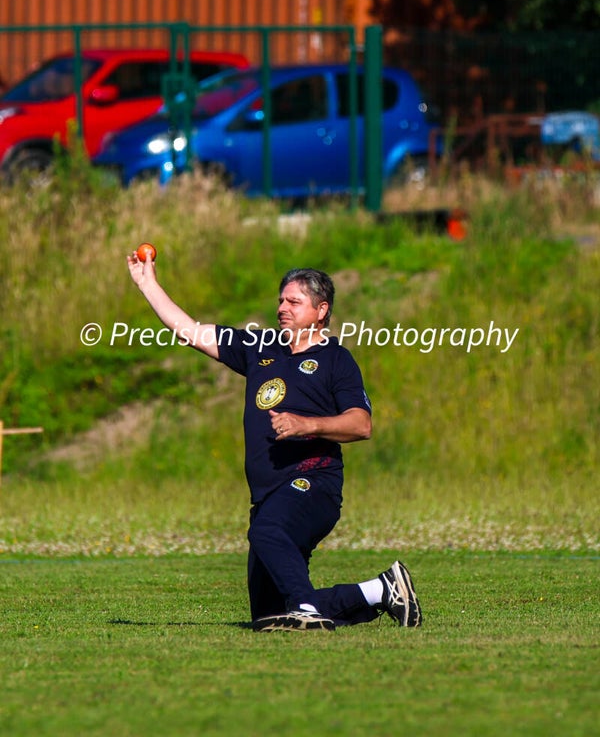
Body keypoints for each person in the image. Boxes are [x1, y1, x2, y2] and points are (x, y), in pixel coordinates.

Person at [127, 253, 422, 632]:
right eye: (281, 300)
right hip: (267, 496)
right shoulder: (261, 347)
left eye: (294, 302)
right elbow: (189, 330)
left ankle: (310, 611)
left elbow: (360, 424)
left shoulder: (336, 360)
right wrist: (146, 283)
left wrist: (306, 425)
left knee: (267, 534)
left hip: (313, 484)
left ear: (321, 310)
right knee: (268, 616)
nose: (282, 308)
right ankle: (379, 591)